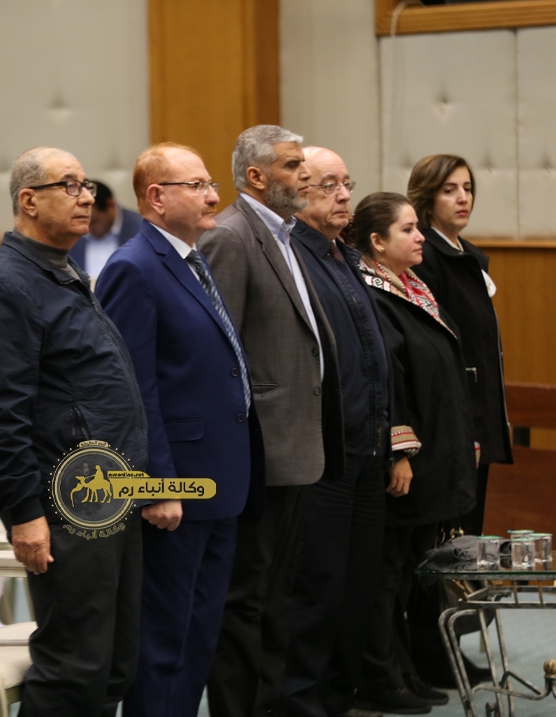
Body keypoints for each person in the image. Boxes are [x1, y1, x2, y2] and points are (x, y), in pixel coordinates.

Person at [0, 147, 148, 717]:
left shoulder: (60, 272)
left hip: (110, 495)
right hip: (68, 502)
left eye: (86, 185)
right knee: (74, 667)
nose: (86, 196)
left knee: (112, 664)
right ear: (29, 200)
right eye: (69, 185)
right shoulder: (6, 284)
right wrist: (23, 512)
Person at [95, 143, 264, 717]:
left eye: (210, 183)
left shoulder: (192, 258)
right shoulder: (133, 267)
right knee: (165, 639)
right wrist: (154, 485)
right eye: (196, 186)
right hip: (176, 489)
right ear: (156, 198)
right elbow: (131, 391)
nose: (213, 195)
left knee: (198, 635)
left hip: (217, 482)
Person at [198, 125, 343, 717]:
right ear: (256, 177)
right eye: (291, 165)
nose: (304, 174)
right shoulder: (232, 237)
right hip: (260, 450)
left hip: (297, 446)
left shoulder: (282, 235)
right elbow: (220, 351)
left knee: (277, 595)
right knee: (246, 598)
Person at [349, 192, 477, 716]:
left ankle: (405, 669)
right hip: (404, 461)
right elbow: (388, 381)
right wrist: (397, 452)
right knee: (385, 577)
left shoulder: (415, 287)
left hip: (435, 454)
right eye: (407, 229)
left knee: (407, 577)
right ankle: (379, 677)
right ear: (377, 242)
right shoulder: (371, 294)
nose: (420, 235)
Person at [282, 148, 392, 717]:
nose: (344, 195)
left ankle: (339, 696)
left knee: (357, 585)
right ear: (297, 191)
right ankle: (303, 702)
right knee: (317, 586)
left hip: (367, 447)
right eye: (328, 185)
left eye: (347, 183)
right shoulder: (292, 257)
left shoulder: (343, 255)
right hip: (323, 453)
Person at [406, 154, 513, 686]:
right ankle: (429, 649)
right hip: (450, 428)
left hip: (477, 422)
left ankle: (448, 642)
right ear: (427, 197)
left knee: (466, 542)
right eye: (449, 189)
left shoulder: (467, 256)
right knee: (441, 545)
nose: (463, 198)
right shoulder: (426, 258)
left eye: (467, 187)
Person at [68, 179, 144, 280]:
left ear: (110, 205)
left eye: (94, 222)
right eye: (84, 222)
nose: (87, 230)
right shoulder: (71, 232)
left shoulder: (141, 230)